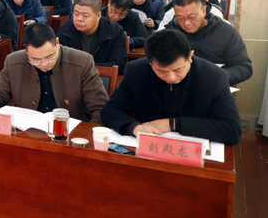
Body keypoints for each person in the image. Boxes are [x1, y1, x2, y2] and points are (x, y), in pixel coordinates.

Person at [101, 30, 242, 145]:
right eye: (161, 71)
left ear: (190, 56)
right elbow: (110, 110)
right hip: (147, 146)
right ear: (150, 62)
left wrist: (173, 124)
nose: (171, 77)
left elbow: (232, 130)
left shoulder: (213, 77)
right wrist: (135, 128)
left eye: (178, 69)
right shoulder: (136, 71)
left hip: (193, 151)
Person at [0, 23, 108, 124]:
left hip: (69, 133)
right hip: (28, 131)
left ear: (57, 43)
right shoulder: (14, 61)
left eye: (50, 57)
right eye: (35, 59)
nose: (44, 64)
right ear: (26, 51)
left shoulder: (82, 62)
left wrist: (87, 135)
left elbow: (100, 108)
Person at [163, 0, 252, 85]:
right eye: (180, 18)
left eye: (192, 17)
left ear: (204, 10)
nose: (186, 23)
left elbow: (244, 68)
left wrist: (214, 77)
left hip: (214, 85)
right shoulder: (169, 33)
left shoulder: (226, 32)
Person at [58, 0, 127, 70]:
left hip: (101, 76)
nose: (79, 19)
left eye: (85, 15)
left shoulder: (115, 31)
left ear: (98, 15)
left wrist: (87, 68)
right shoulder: (65, 29)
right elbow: (57, 58)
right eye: (76, 14)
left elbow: (118, 64)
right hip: (72, 75)